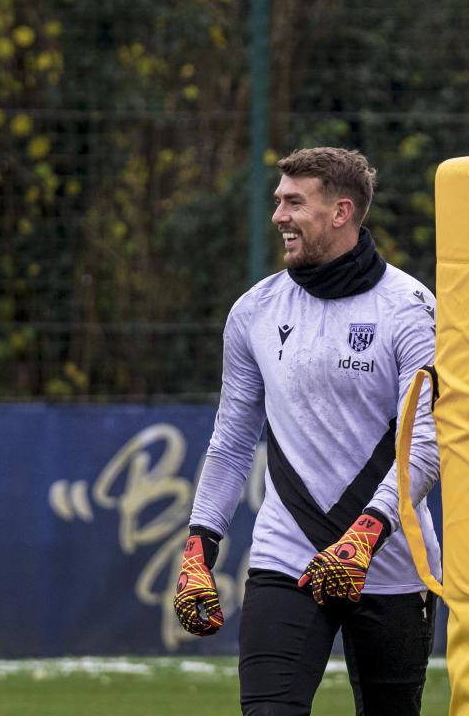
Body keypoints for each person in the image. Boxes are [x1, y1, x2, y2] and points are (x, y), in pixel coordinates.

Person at [174, 147, 441, 716]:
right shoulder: (254, 311)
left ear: (341, 211)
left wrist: (364, 536)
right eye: (278, 201)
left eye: (294, 202)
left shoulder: (411, 308)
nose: (279, 216)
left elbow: (424, 444)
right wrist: (199, 545)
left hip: (390, 558)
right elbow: (231, 442)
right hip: (286, 552)